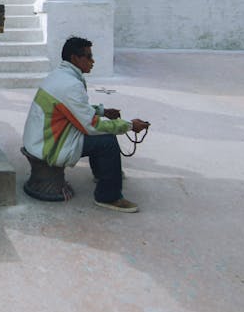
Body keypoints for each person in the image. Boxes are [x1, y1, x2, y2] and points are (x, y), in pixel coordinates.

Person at [22, 36, 150, 212]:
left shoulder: (59, 76)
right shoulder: (71, 85)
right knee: (107, 140)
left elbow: (73, 108)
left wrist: (103, 111)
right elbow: (91, 126)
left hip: (39, 139)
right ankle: (108, 196)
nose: (93, 61)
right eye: (88, 57)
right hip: (48, 147)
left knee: (101, 135)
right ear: (75, 58)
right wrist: (129, 125)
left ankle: (104, 175)